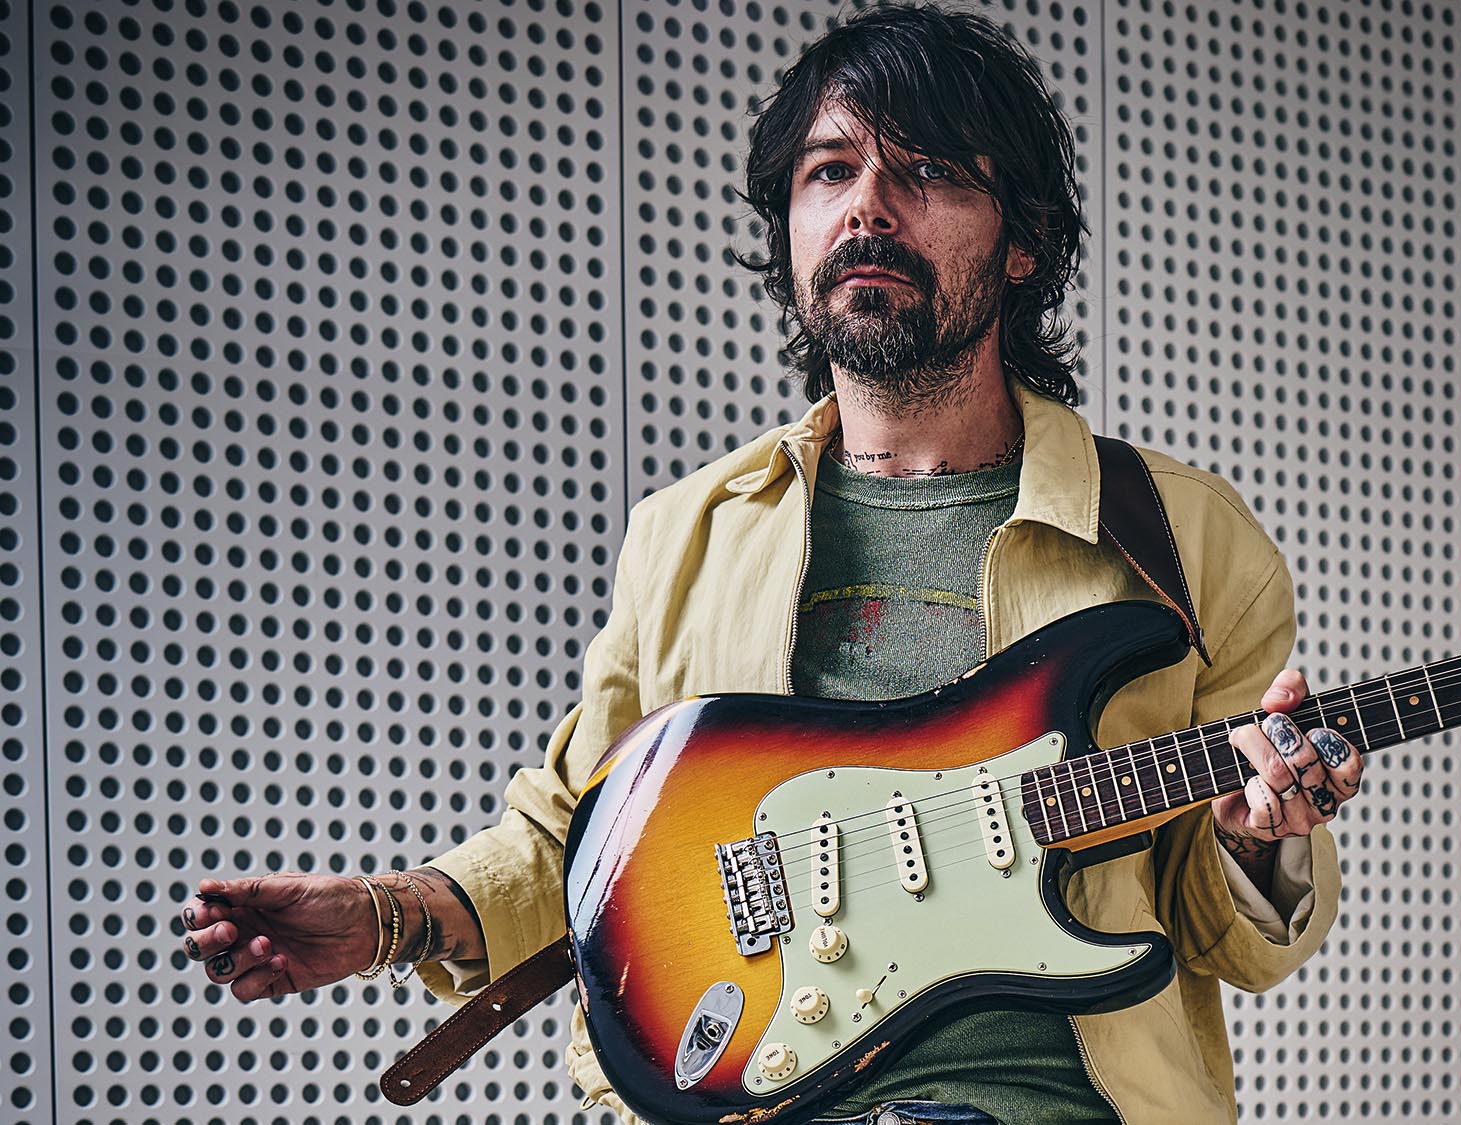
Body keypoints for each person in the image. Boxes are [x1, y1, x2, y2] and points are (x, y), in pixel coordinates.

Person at [176, 5, 1365, 1122]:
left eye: (931, 171)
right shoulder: (689, 533)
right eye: (830, 171)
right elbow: (585, 835)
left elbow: (1225, 935)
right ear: (791, 229)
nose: (870, 208)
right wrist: (387, 918)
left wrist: (1262, 833)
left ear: (1023, 245)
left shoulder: (1183, 539)